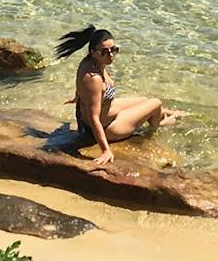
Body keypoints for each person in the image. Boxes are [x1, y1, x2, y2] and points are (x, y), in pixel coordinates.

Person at [55, 25, 178, 170]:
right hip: (108, 127)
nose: (111, 55)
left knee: (146, 101)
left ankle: (166, 113)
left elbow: (82, 85)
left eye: (114, 50)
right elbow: (94, 118)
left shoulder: (90, 62)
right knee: (155, 103)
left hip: (108, 109)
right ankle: (157, 125)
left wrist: (78, 97)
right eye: (105, 52)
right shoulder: (93, 78)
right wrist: (105, 150)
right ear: (93, 52)